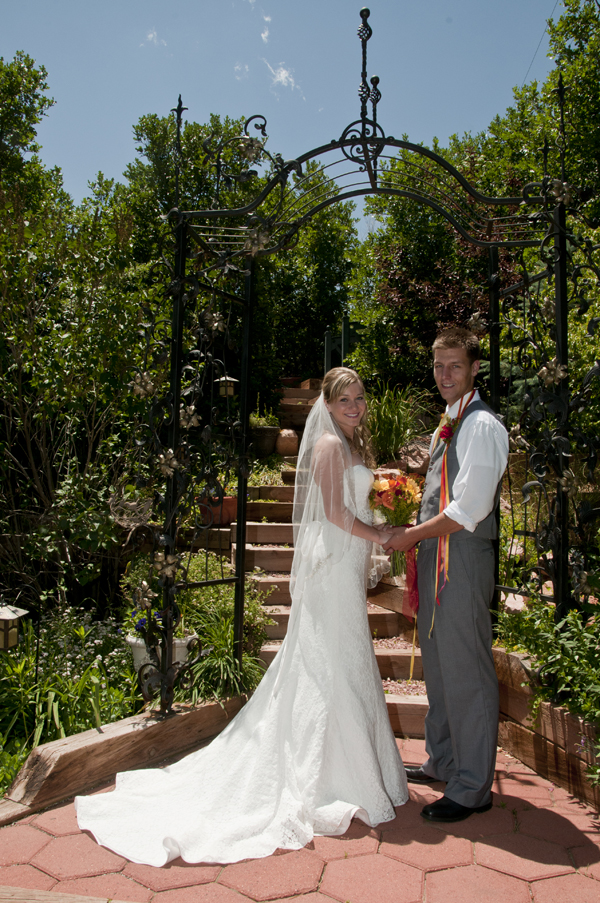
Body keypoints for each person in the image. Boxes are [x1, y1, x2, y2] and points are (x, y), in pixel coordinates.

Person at [75, 366, 408, 866]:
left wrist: (384, 515)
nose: (355, 407)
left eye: (360, 398)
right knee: (329, 660)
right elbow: (335, 515)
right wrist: (381, 533)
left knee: (342, 657)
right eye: (345, 400)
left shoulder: (350, 442)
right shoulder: (327, 446)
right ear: (327, 404)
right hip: (333, 565)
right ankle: (329, 773)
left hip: (345, 563)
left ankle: (347, 766)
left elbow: (351, 506)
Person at [382, 328, 508, 824]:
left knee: (466, 670)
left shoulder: (482, 425)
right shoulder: (447, 422)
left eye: (455, 365)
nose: (445, 374)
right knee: (438, 664)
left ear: (475, 368)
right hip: (437, 559)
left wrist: (411, 535)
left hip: (463, 561)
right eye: (438, 365)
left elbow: (469, 508)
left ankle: (473, 787)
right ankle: (444, 762)